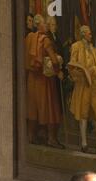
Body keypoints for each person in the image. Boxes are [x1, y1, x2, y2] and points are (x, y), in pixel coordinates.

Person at [25, 14, 65, 149]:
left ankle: (31, 136)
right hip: (44, 78)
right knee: (50, 107)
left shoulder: (29, 38)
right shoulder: (45, 40)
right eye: (45, 24)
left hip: (32, 77)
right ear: (39, 25)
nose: (47, 26)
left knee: (33, 107)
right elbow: (53, 59)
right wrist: (58, 70)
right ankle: (52, 139)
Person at [68, 26, 96, 154]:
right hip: (83, 85)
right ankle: (84, 143)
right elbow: (72, 65)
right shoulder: (76, 46)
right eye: (89, 33)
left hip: (95, 85)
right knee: (83, 113)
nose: (91, 35)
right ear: (83, 34)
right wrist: (81, 73)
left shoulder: (94, 50)